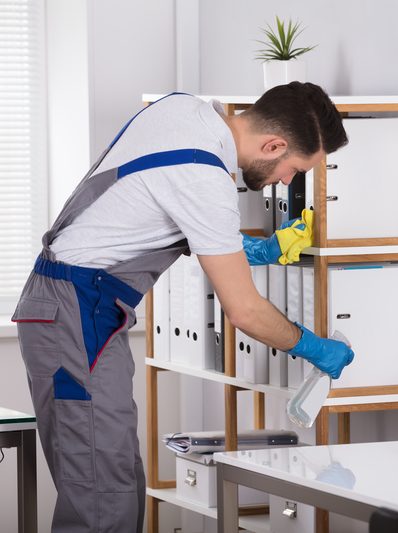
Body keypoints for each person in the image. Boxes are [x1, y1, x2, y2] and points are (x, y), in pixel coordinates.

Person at [12, 82, 355, 532]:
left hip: (72, 308)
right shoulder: (203, 176)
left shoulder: (184, 111)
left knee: (116, 479)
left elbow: (144, 208)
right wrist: (314, 348)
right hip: (76, 312)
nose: (287, 182)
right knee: (102, 499)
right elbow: (245, 311)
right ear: (273, 144)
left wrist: (257, 250)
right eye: (294, 169)